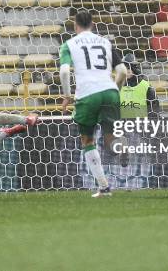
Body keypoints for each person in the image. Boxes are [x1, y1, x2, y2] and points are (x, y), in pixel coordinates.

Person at [59, 11, 127, 197]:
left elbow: (65, 72)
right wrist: (115, 90)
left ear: (75, 25)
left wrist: (67, 95)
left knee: (87, 139)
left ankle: (104, 187)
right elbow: (122, 71)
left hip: (88, 94)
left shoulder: (69, 45)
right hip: (110, 91)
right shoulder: (106, 42)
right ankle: (122, 145)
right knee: (109, 137)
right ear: (93, 24)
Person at [119, 53, 159, 119]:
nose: (126, 71)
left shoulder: (146, 86)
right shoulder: (117, 87)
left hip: (140, 125)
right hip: (121, 124)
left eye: (128, 67)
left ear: (134, 69)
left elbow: (153, 110)